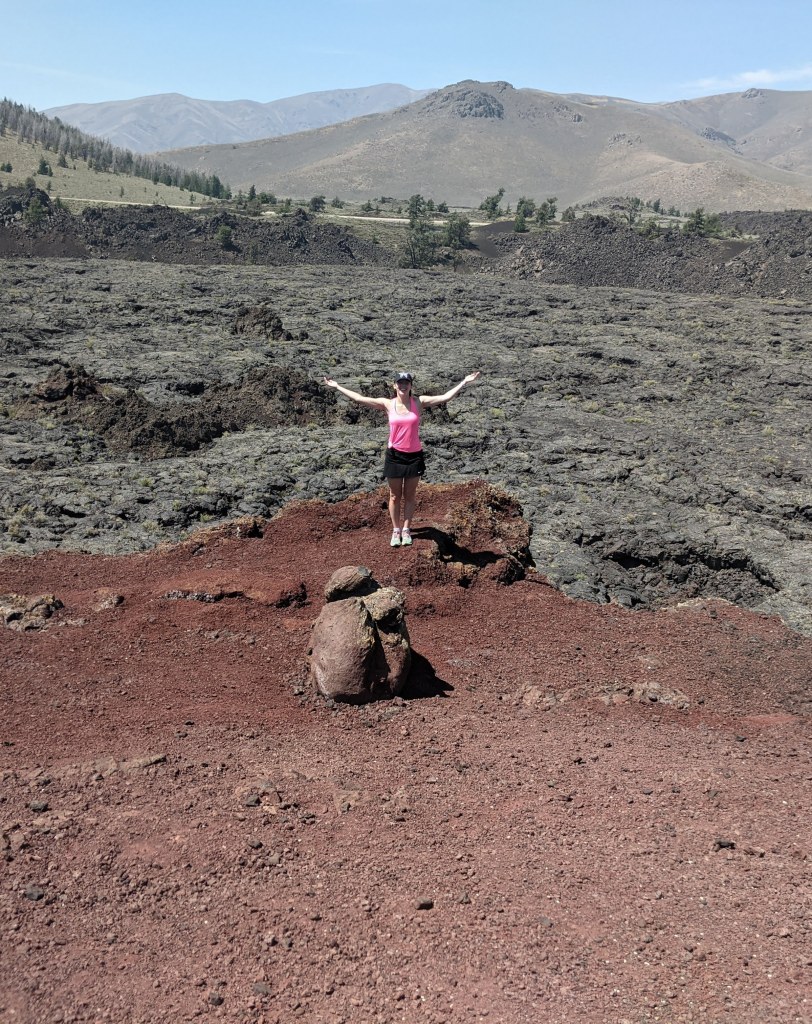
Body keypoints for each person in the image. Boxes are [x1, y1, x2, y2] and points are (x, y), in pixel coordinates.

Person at [323, 370, 481, 546]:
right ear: (395, 385)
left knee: (410, 495)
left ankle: (406, 529)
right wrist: (337, 386)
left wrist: (464, 382)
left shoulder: (418, 402)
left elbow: (445, 397)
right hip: (395, 456)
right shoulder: (388, 404)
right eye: (400, 383)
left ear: (411, 385)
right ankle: (395, 529)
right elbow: (359, 399)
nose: (403, 386)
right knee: (394, 496)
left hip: (414, 456)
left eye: (406, 383)